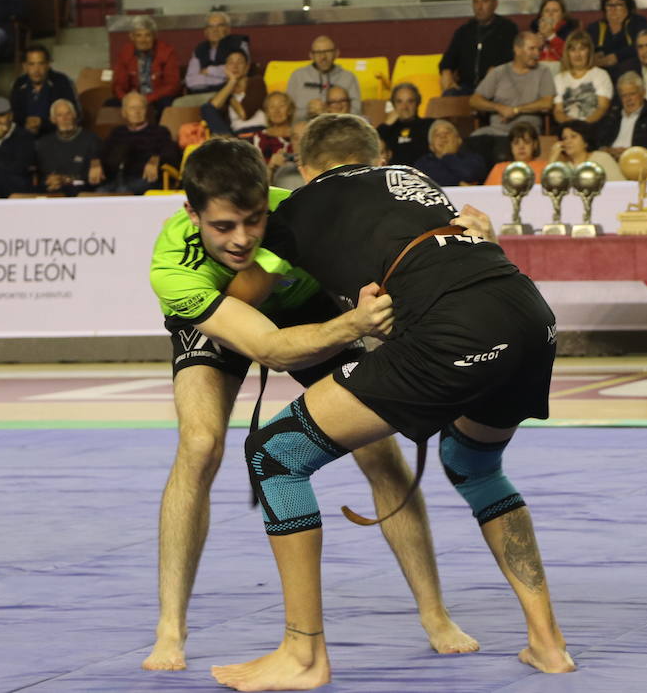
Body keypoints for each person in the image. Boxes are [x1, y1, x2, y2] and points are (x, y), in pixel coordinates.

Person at [209, 115, 574, 690]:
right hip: (529, 315)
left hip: (454, 329)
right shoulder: (413, 181)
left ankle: (303, 656)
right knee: (474, 467)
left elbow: (241, 294)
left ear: (304, 170)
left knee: (274, 454)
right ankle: (548, 644)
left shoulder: (299, 209)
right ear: (377, 155)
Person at [142, 135, 477, 672]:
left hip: (305, 310)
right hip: (223, 317)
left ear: (268, 197)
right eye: (224, 226)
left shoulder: (302, 210)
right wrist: (353, 324)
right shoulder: (172, 268)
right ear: (191, 213)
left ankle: (435, 614)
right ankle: (170, 626)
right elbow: (265, 348)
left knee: (379, 455)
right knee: (199, 444)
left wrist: (463, 232)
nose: (242, 238)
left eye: (254, 219)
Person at [469, 31, 555, 162]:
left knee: (501, 153)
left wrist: (516, 110)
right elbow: (474, 100)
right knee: (470, 146)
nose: (537, 54)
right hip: (496, 131)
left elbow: (547, 103)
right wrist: (498, 107)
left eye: (539, 49)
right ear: (517, 49)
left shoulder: (543, 72)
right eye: (532, 49)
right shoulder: (499, 72)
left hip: (525, 134)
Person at [439, 0, 518, 96]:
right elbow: (448, 59)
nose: (479, 7)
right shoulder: (464, 31)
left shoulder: (507, 28)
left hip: (496, 87)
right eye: (476, 2)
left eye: (485, 1)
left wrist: (494, 73)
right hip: (466, 87)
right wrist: (446, 71)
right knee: (448, 96)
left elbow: (511, 59)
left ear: (495, 4)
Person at [98, 92, 178, 194]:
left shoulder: (160, 131)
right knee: (97, 194)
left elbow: (171, 154)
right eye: (132, 108)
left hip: (144, 178)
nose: (137, 112)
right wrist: (96, 162)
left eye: (141, 108)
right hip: (115, 180)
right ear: (124, 112)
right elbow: (103, 152)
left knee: (123, 192)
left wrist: (156, 159)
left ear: (146, 111)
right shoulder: (117, 132)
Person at [179, 12, 250, 105]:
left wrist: (209, 71)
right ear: (205, 32)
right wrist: (221, 77)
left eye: (220, 26)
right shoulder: (199, 49)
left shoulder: (238, 44)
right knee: (178, 104)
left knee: (212, 105)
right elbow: (191, 81)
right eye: (210, 27)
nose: (215, 30)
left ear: (228, 29)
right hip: (202, 94)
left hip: (230, 92)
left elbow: (239, 72)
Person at [35, 98, 103, 195]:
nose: (65, 119)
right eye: (59, 115)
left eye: (68, 114)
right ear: (53, 119)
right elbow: (41, 176)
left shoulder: (91, 140)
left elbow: (92, 180)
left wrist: (66, 180)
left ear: (75, 115)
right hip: (51, 195)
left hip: (81, 195)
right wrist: (50, 181)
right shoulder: (43, 143)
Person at [595, 72, 647, 161]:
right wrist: (606, 150)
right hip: (610, 160)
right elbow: (598, 143)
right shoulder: (612, 116)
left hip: (637, 162)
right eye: (624, 95)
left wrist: (631, 151)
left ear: (643, 93)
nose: (628, 99)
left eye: (632, 94)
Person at [112, 16, 181, 110]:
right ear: (132, 37)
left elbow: (172, 85)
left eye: (147, 35)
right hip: (133, 97)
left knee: (167, 103)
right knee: (110, 104)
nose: (143, 40)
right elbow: (119, 85)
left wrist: (147, 98)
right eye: (138, 35)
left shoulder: (167, 52)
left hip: (159, 97)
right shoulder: (125, 53)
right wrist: (127, 99)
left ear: (154, 36)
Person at [285, 36, 360, 123]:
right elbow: (287, 112)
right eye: (318, 53)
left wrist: (330, 112)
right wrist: (307, 112)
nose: (323, 57)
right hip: (304, 129)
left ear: (336, 53)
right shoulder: (297, 76)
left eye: (328, 52)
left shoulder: (348, 77)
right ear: (311, 56)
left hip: (339, 128)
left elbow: (357, 112)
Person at [10, 44, 77, 138]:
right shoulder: (19, 83)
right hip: (25, 137)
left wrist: (41, 122)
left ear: (48, 65)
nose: (36, 70)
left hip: (56, 137)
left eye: (41, 64)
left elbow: (73, 114)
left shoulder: (61, 81)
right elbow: (14, 114)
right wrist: (27, 122)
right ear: (25, 66)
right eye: (31, 64)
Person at [552, 29, 612, 128]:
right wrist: (570, 125)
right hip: (567, 129)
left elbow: (602, 108)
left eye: (582, 49)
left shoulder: (601, 75)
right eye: (573, 50)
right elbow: (558, 111)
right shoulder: (559, 78)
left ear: (589, 51)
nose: (577, 54)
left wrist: (583, 126)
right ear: (567, 53)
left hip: (593, 128)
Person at [202, 51, 266, 135]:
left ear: (247, 67)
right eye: (231, 63)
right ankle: (227, 143)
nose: (235, 66)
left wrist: (230, 97)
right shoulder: (224, 89)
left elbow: (244, 114)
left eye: (239, 62)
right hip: (237, 136)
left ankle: (227, 144)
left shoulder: (256, 82)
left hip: (258, 132)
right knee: (206, 108)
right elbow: (211, 108)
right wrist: (232, 81)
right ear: (225, 68)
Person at [413, 119, 486, 186]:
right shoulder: (423, 163)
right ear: (431, 146)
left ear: (459, 140)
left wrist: (447, 156)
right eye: (437, 135)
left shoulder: (474, 159)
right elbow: (429, 181)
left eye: (447, 132)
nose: (443, 137)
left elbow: (469, 175)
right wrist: (459, 183)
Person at [548, 118, 625, 180]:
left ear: (586, 141)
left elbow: (620, 186)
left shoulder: (602, 158)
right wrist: (552, 159)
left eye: (573, 136)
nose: (567, 141)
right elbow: (547, 190)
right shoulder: (564, 167)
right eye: (564, 138)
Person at [376, 82, 432, 166]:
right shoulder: (386, 130)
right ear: (393, 104)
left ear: (418, 103)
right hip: (391, 176)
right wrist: (386, 124)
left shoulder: (429, 125)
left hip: (421, 175)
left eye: (410, 101)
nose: (405, 107)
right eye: (399, 102)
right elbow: (370, 148)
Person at [529, 0, 577, 64]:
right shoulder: (532, 33)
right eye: (547, 11)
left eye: (555, 11)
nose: (550, 14)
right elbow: (526, 60)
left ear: (562, 15)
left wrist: (551, 37)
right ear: (541, 14)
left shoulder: (571, 33)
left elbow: (571, 57)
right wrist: (536, 46)